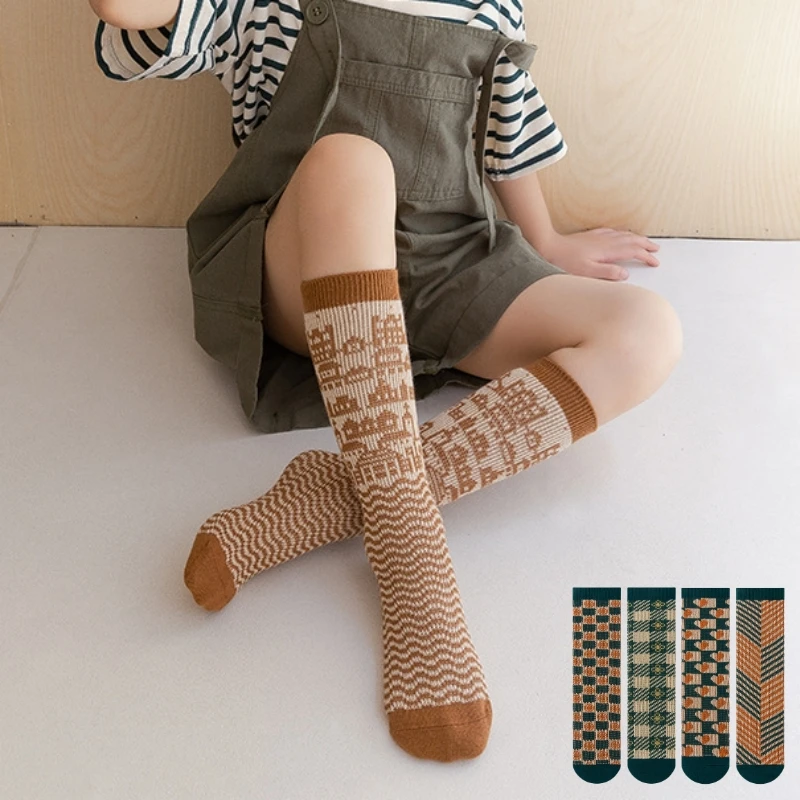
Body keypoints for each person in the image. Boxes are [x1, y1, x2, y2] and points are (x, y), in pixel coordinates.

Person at [91, 0, 682, 762]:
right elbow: (135, 17)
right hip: (303, 274)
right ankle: (412, 557)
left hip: (444, 271)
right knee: (352, 160)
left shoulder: (488, 8)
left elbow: (506, 133)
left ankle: (329, 497)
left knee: (649, 331)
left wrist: (546, 239)